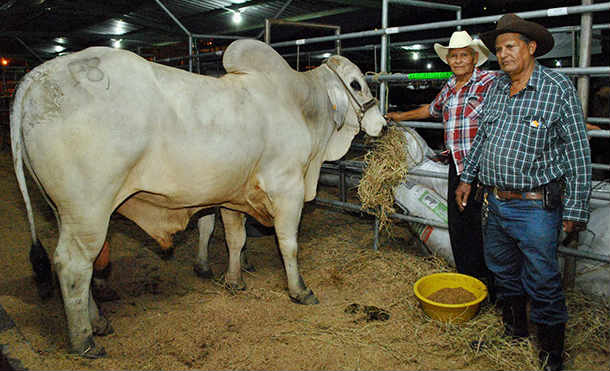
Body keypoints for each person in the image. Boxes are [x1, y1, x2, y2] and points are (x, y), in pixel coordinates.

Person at [455, 14, 592, 371]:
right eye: (498, 49)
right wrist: (467, 177)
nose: (503, 55)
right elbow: (483, 136)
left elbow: (578, 152)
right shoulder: (498, 88)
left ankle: (551, 354)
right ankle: (514, 330)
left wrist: (576, 210)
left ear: (531, 48)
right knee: (502, 269)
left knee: (543, 278)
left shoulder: (557, 88)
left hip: (536, 206)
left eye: (510, 46)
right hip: (495, 200)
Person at [384, 30, 497, 299]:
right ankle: (470, 282)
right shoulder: (449, 86)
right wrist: (400, 116)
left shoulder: (489, 82)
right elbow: (430, 110)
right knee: (460, 226)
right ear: (449, 61)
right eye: (454, 56)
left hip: (484, 168)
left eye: (463, 55)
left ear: (474, 58)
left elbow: (518, 105)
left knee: (491, 227)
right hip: (458, 167)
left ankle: (494, 288)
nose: (458, 60)